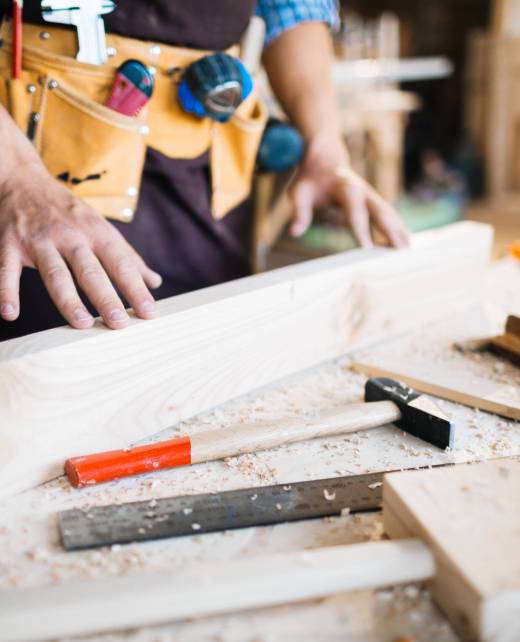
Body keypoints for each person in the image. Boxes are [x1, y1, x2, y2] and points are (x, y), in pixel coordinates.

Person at [0, 0, 408, 341]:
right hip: (30, 189)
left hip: (204, 179)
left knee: (204, 357)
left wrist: (325, 149)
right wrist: (14, 176)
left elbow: (294, 7)